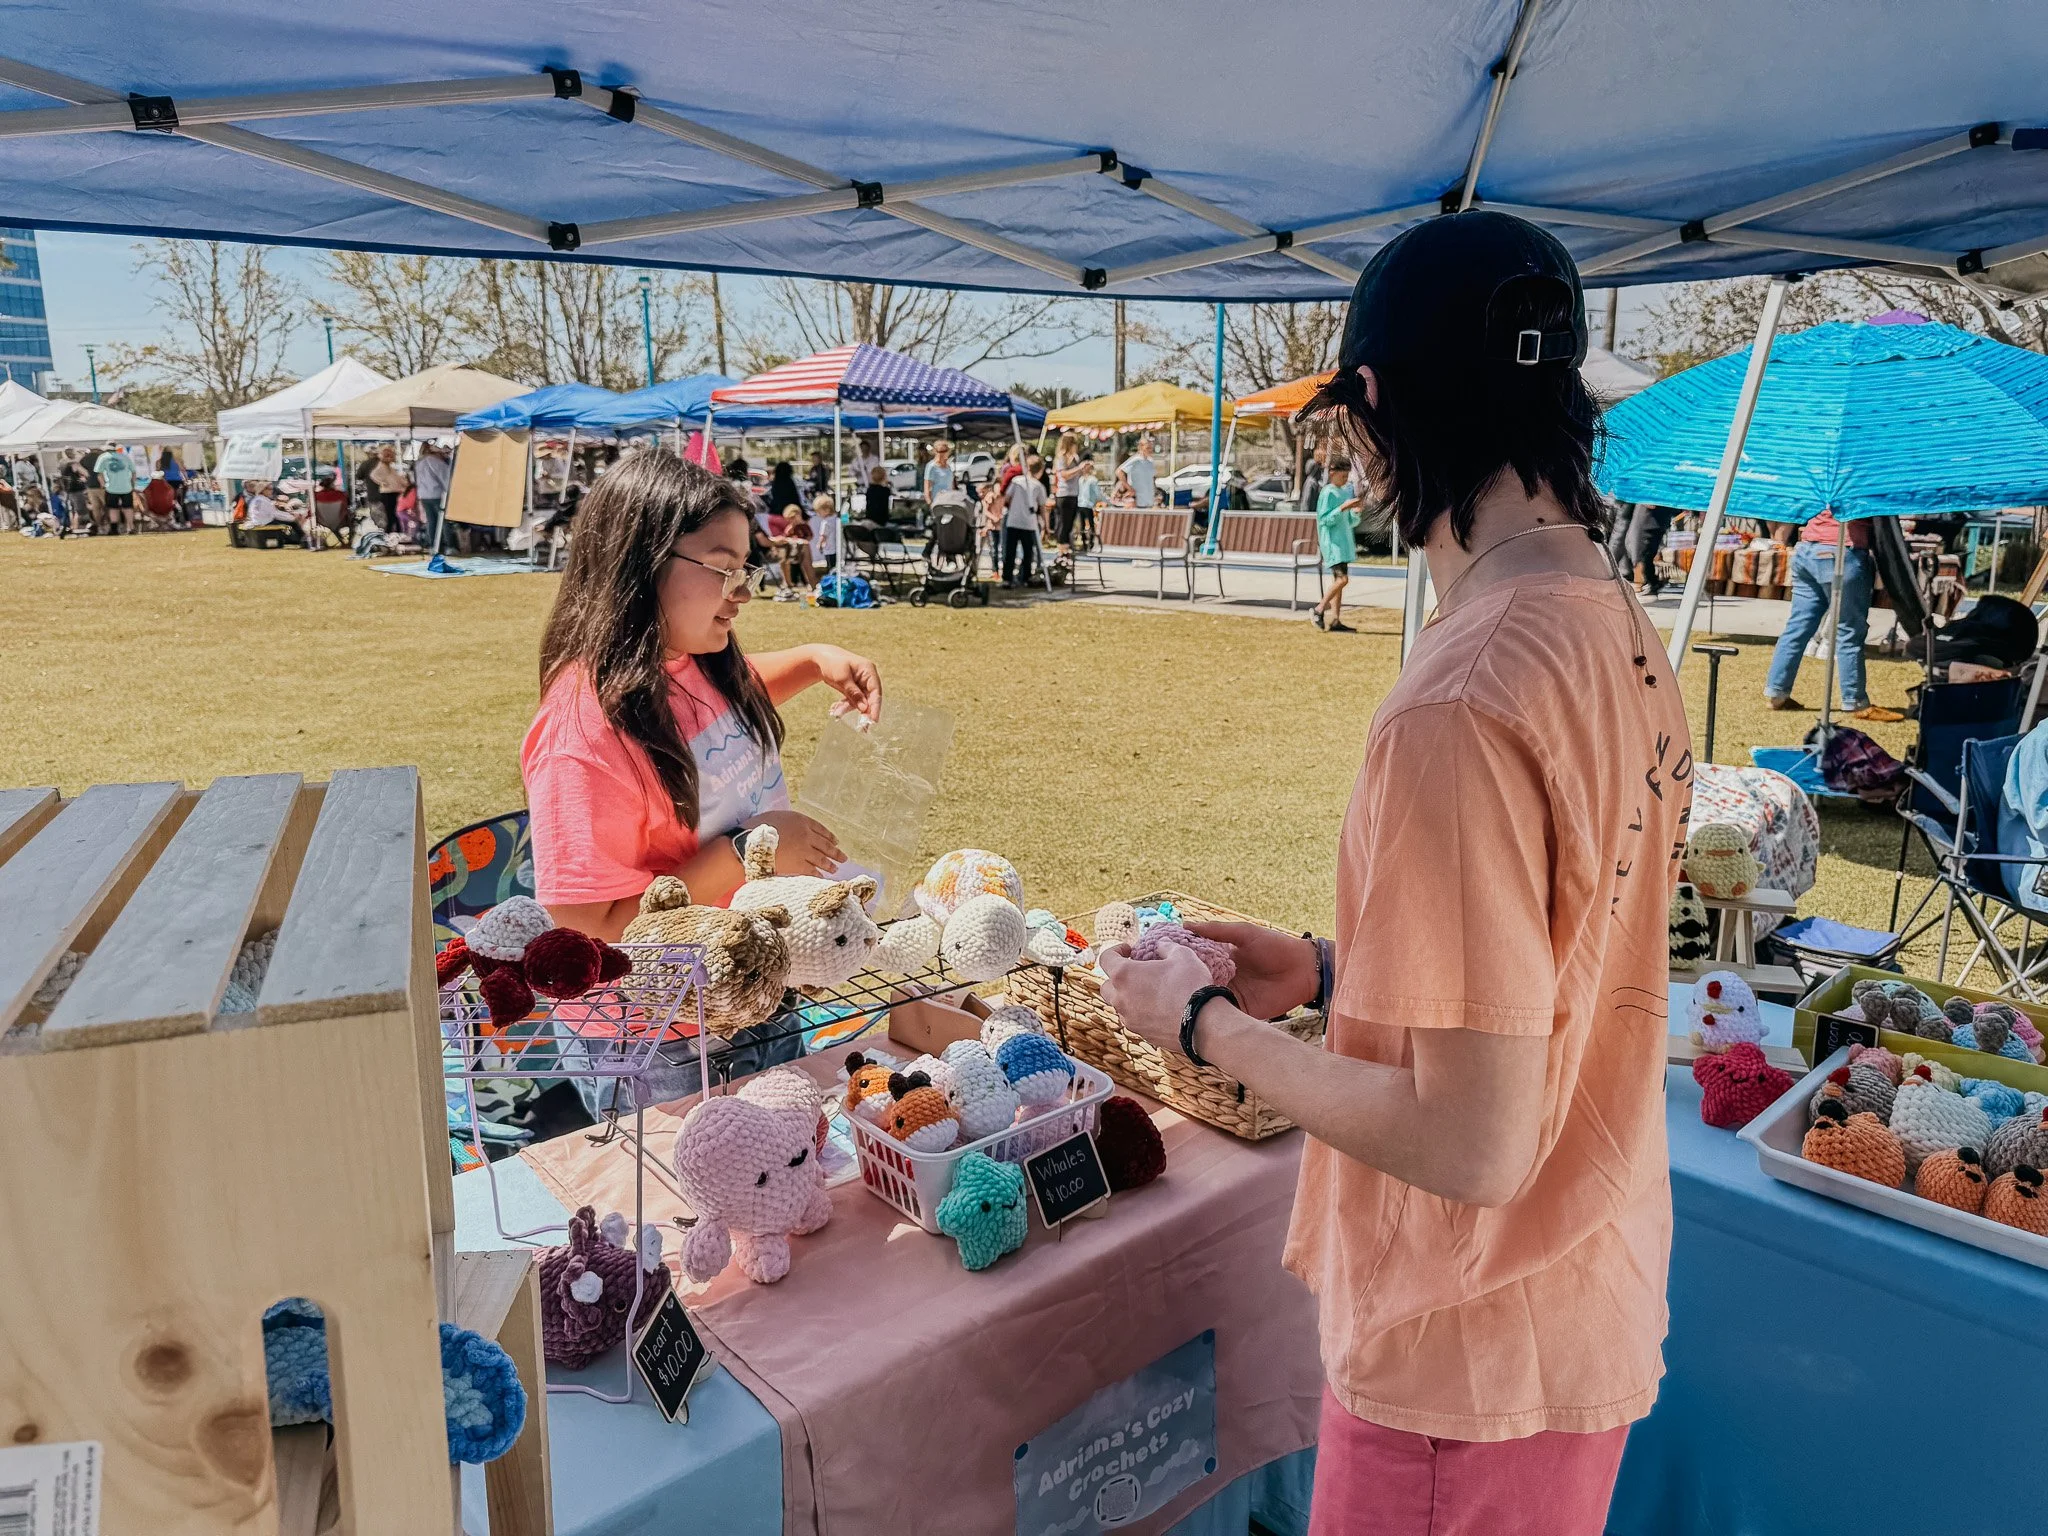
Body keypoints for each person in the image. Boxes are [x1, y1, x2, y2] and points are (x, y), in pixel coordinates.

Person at [1097, 211, 1689, 1536]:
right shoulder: (1615, 624)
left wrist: (1205, 1027)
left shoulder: (1464, 694)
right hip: (1578, 1293)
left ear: (1371, 406)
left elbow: (1468, 1142)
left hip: (1463, 1340)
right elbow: (1556, 969)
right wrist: (1324, 969)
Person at [523, 449, 879, 938]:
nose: (743, 594)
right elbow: (587, 931)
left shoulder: (688, 660)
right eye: (721, 569)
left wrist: (814, 661)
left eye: (745, 571)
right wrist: (745, 851)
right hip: (665, 1008)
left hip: (750, 973)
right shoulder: (583, 737)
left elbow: (724, 703)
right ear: (639, 564)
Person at [1763, 508, 1902, 721]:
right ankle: (1854, 701)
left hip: (1808, 549)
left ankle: (1776, 693)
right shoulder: (1859, 477)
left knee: (1798, 627)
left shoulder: (1823, 474)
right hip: (1842, 550)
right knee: (1849, 630)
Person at [1310, 456, 1364, 633]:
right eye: (1343, 476)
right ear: (1332, 474)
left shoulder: (1344, 492)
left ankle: (1335, 619)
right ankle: (1319, 609)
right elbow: (1324, 519)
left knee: (1338, 582)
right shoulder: (1328, 492)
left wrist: (1355, 512)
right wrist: (1342, 508)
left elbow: (1349, 522)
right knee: (1342, 580)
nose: (1345, 480)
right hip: (1333, 544)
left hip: (1344, 543)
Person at [1002, 453, 1048, 587]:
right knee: (1028, 552)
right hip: (1029, 523)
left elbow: (1007, 497)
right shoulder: (1039, 486)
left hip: (1014, 520)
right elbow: (1042, 506)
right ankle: (1025, 577)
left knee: (1010, 551)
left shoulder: (1017, 481)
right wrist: (1045, 524)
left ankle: (1008, 577)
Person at [409, 440, 453, 550]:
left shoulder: (419, 463)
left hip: (424, 495)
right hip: (437, 494)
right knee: (443, 520)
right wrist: (450, 492)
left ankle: (434, 544)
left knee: (431, 520)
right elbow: (446, 479)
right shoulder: (435, 462)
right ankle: (450, 544)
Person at [94, 443, 136, 535]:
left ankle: (114, 528)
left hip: (111, 487)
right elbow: (133, 472)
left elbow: (99, 473)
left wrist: (103, 485)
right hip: (126, 487)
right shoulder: (125, 457)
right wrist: (132, 484)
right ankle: (131, 527)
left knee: (113, 508)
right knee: (128, 507)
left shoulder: (103, 457)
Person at [369, 444, 409, 530]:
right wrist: (382, 482)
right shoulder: (382, 466)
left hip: (394, 492)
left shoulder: (389, 467)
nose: (390, 457)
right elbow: (373, 475)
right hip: (389, 493)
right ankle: (391, 532)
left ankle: (396, 531)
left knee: (395, 515)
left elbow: (396, 479)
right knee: (392, 515)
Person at [1118, 435, 1159, 509]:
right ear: (1141, 447)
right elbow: (1119, 471)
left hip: (1149, 500)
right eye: (1148, 448)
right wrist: (1129, 488)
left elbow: (1152, 479)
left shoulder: (1150, 461)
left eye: (1151, 448)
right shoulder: (1136, 460)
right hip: (1138, 500)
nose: (1150, 450)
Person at [809, 490, 841, 578]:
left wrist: (819, 544)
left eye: (819, 512)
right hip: (838, 548)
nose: (818, 515)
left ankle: (832, 579)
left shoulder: (826, 522)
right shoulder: (836, 519)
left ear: (826, 510)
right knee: (837, 566)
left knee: (831, 567)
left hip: (829, 549)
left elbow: (823, 535)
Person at [923, 440, 963, 508]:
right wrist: (930, 503)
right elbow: (927, 488)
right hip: (937, 502)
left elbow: (952, 485)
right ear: (935, 452)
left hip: (950, 501)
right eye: (940, 452)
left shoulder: (949, 467)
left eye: (945, 451)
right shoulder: (931, 466)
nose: (942, 454)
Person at [1075, 456, 1101, 546]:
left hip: (1081, 504)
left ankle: (1084, 542)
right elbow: (1098, 494)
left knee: (1083, 524)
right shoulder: (1092, 480)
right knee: (1090, 524)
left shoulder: (1081, 479)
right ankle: (1090, 542)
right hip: (1088, 504)